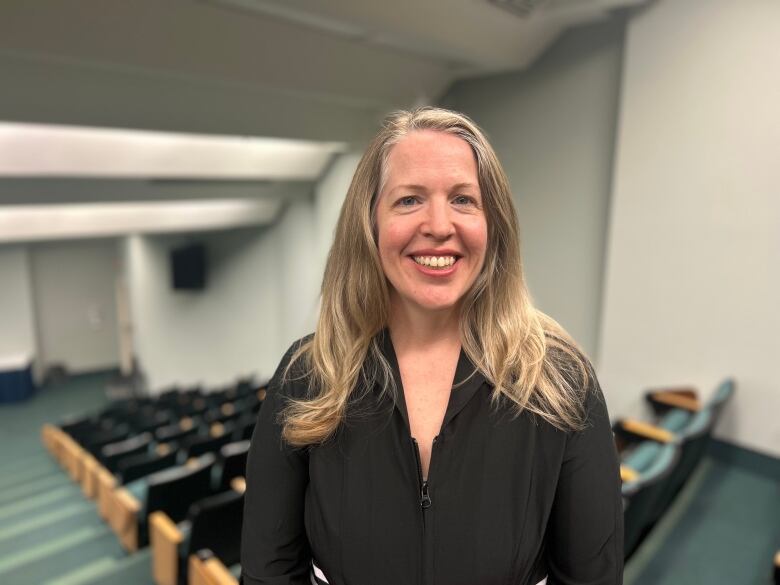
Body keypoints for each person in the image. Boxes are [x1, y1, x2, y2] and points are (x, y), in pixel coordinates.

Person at [241, 107, 623, 585]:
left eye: (463, 200)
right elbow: (269, 573)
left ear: (494, 226)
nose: (439, 225)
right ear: (370, 223)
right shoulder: (306, 376)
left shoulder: (560, 381)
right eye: (409, 201)